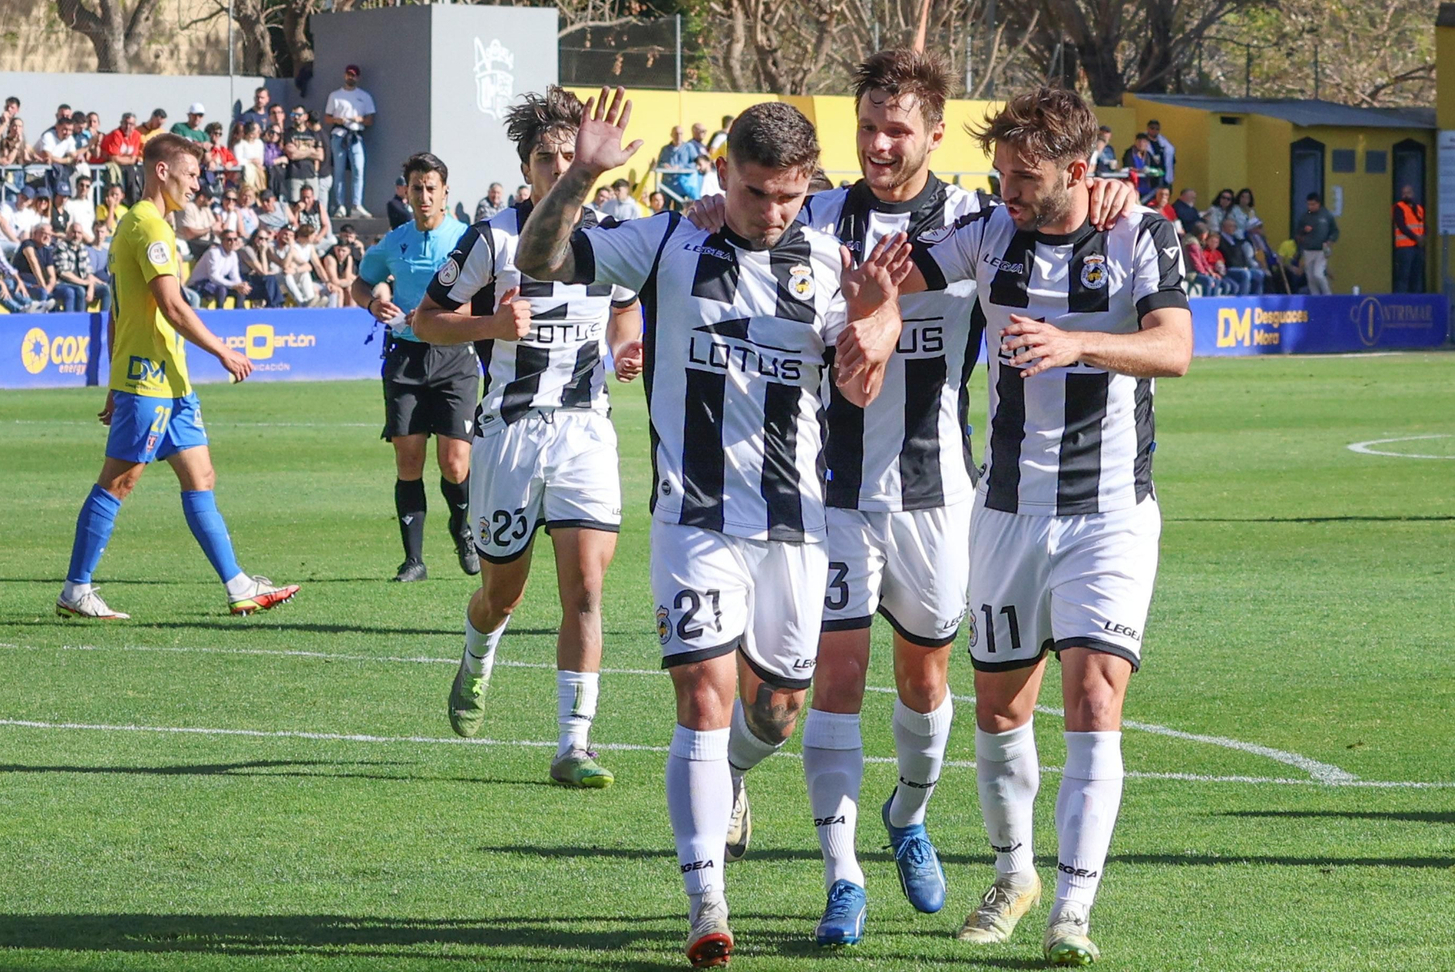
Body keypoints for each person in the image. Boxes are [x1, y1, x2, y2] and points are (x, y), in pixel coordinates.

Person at [682, 51, 1136, 946]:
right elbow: (738, 226)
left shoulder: (983, 217)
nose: (881, 144)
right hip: (832, 493)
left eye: (900, 129)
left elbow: (1065, 214)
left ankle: (907, 815)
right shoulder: (814, 212)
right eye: (868, 127)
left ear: (936, 133)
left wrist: (1113, 191)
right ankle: (842, 877)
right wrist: (710, 209)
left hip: (939, 494)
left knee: (928, 688)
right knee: (819, 689)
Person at [504, 89, 907, 969]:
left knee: (780, 709)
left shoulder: (831, 261)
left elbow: (860, 386)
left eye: (789, 195)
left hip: (798, 526)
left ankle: (727, 781)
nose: (771, 212)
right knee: (702, 700)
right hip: (695, 519)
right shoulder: (668, 240)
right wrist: (580, 174)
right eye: (757, 191)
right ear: (722, 172)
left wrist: (875, 322)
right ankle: (705, 902)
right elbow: (541, 258)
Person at [895, 84, 1192, 966]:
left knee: (1095, 696)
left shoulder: (1140, 231)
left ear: (1080, 169)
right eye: (1002, 174)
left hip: (1109, 513)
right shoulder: (989, 234)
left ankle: (1073, 908)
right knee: (998, 706)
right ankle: (1014, 871)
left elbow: (1174, 348)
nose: (1009, 189)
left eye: (1025, 176)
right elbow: (896, 274)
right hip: (1007, 511)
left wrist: (1077, 344)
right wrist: (867, 311)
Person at [413, 87, 645, 790]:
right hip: (510, 433)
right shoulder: (494, 237)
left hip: (585, 431)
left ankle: (575, 743)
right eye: (545, 158)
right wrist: (489, 327)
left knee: (585, 589)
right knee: (502, 595)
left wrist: (627, 349)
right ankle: (477, 656)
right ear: (527, 166)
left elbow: (628, 314)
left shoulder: (612, 234)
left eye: (568, 155)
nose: (557, 166)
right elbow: (427, 320)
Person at [53, 132, 299, 621]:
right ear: (161, 171)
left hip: (171, 382)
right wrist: (224, 351)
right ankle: (75, 590)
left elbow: (117, 312)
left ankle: (238, 586)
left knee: (200, 476)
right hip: (148, 380)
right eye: (189, 175)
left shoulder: (146, 225)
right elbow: (171, 305)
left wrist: (111, 380)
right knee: (119, 482)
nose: (197, 185)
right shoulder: (147, 227)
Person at [352, 153, 477, 580]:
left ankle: (463, 530)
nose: (423, 196)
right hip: (405, 359)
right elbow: (361, 280)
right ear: (406, 191)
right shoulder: (394, 242)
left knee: (456, 463)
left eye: (430, 188)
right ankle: (414, 560)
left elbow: (486, 292)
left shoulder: (467, 239)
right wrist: (373, 301)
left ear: (445, 193)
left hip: (455, 357)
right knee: (408, 461)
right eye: (415, 188)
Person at [325, 63, 376, 216]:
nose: (350, 77)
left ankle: (356, 205)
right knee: (339, 171)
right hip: (339, 134)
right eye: (348, 74)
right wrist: (338, 120)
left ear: (357, 77)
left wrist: (359, 119)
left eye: (353, 75)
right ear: (344, 75)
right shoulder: (335, 95)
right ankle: (340, 205)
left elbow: (370, 120)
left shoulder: (364, 96)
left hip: (355, 135)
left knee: (358, 169)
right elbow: (327, 118)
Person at [189, 231, 252, 309]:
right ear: (222, 241)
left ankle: (239, 314)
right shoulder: (213, 253)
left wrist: (240, 285)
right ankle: (220, 313)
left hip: (215, 283)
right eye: (229, 240)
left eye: (235, 239)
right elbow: (213, 277)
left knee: (241, 290)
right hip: (199, 283)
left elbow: (235, 276)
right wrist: (234, 285)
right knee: (221, 289)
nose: (232, 242)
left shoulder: (233, 255)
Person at [1294, 192, 1338, 295]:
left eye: (1313, 204)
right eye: (1309, 204)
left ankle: (1328, 296)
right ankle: (1315, 298)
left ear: (1318, 203)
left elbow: (1335, 231)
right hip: (1308, 250)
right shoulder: (1305, 216)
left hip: (1321, 250)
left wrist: (1330, 240)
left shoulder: (1326, 215)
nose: (1310, 207)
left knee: (1318, 274)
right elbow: (1297, 232)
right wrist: (1304, 230)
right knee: (1310, 278)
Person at [1392, 184, 1426, 294]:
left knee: (1416, 277)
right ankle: (1401, 301)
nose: (1406, 195)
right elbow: (1402, 226)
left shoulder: (1419, 209)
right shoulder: (1398, 207)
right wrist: (1416, 238)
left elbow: (1422, 225)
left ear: (1413, 194)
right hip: (1404, 248)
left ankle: (1416, 301)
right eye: (1404, 193)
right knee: (1403, 277)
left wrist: (1423, 237)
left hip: (1417, 248)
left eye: (1408, 192)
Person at [241, 226, 283, 307]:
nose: (263, 241)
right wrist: (263, 252)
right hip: (246, 282)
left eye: (266, 239)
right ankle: (275, 306)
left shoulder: (263, 249)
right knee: (270, 279)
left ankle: (275, 306)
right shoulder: (247, 250)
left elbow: (282, 264)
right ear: (254, 238)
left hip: (257, 281)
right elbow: (264, 273)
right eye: (260, 238)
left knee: (274, 280)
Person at [1143, 119, 1175, 188]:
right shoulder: (1143, 142)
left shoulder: (1164, 142)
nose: (1154, 131)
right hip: (1151, 177)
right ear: (1148, 128)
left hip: (1164, 176)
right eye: (1152, 128)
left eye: (1157, 129)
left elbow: (1171, 159)